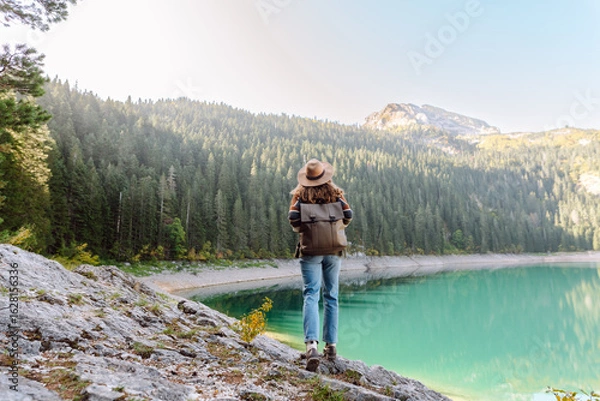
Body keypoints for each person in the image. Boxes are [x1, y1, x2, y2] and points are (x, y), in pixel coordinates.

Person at [288, 159, 353, 372]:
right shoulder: (337, 194)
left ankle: (312, 347)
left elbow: (293, 219)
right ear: (326, 176)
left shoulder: (300, 197)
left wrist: (307, 228)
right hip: (334, 251)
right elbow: (349, 215)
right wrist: (335, 227)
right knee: (331, 295)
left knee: (311, 295)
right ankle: (331, 347)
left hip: (310, 252)